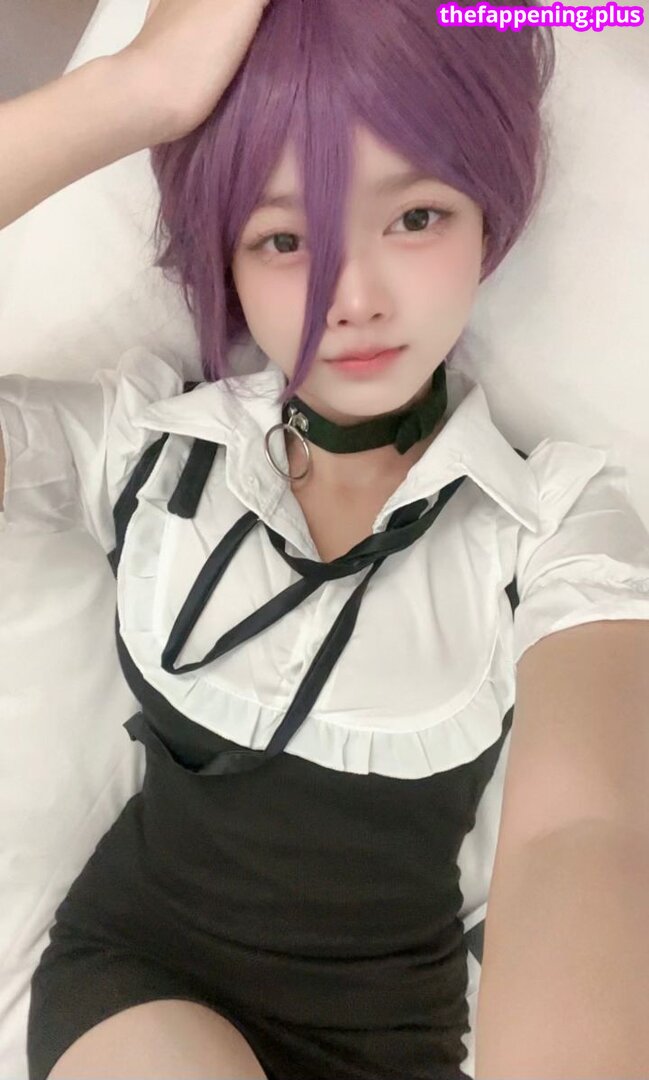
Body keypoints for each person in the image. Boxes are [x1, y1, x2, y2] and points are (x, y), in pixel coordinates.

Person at [4, 1, 625, 1077]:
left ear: (487, 218)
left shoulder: (553, 520)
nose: (354, 297)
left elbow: (585, 830)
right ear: (227, 260)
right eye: (285, 240)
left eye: (416, 217)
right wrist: (133, 92)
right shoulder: (146, 449)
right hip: (140, 987)